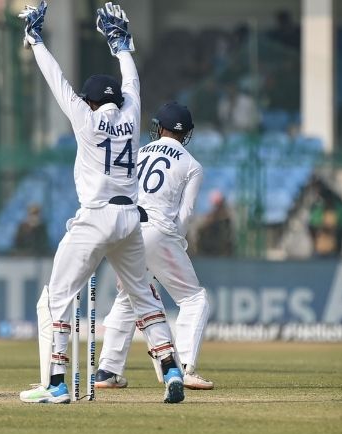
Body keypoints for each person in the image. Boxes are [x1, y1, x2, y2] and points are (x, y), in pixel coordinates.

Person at [17, 1, 185, 404]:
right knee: (144, 298)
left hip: (95, 216)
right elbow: (133, 81)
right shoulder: (132, 113)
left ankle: (57, 385)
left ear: (90, 101)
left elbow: (56, 80)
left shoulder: (86, 119)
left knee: (58, 297)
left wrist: (35, 39)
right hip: (130, 216)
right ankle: (170, 369)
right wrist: (122, 45)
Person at [95, 102, 213, 391]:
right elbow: (185, 215)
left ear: (160, 127)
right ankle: (183, 367)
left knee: (130, 298)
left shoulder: (139, 152)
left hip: (125, 228)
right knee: (194, 299)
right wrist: (175, 246)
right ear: (185, 134)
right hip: (158, 231)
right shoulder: (192, 164)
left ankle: (107, 370)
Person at [196, 190, 234, 256]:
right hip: (219, 246)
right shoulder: (221, 210)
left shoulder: (221, 212)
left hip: (216, 246)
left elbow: (211, 220)